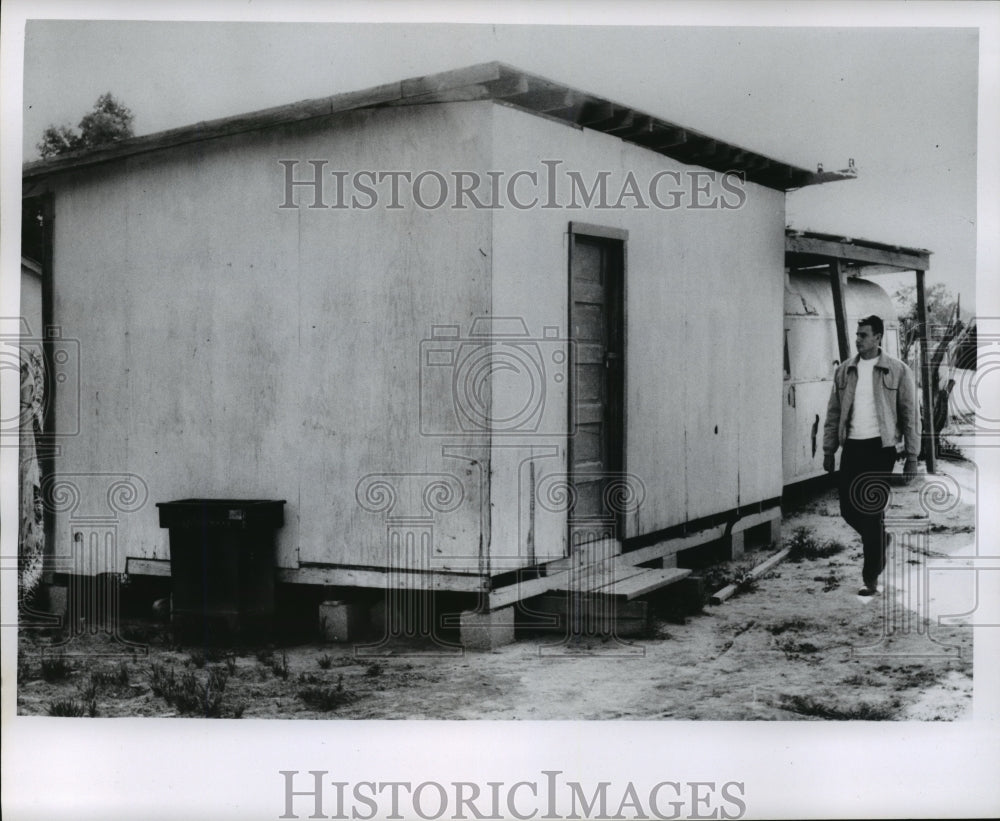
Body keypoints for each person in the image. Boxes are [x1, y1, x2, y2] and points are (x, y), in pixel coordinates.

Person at [823, 315, 920, 596]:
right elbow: (832, 414)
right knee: (847, 509)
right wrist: (829, 450)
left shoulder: (897, 371)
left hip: (881, 449)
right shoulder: (844, 371)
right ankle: (880, 539)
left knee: (870, 510)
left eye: (864, 335)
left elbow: (910, 415)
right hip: (852, 447)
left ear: (878, 337)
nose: (858, 339)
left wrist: (912, 456)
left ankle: (870, 578)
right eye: (857, 334)